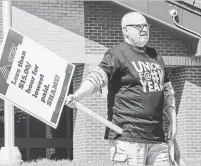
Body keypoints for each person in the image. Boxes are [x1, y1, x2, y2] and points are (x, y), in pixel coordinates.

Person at [65, 11, 177, 166]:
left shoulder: (156, 56)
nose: (144, 29)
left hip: (157, 137)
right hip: (128, 137)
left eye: (146, 25)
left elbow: (167, 92)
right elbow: (97, 77)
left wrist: (173, 120)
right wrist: (78, 95)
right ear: (125, 30)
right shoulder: (117, 54)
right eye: (138, 26)